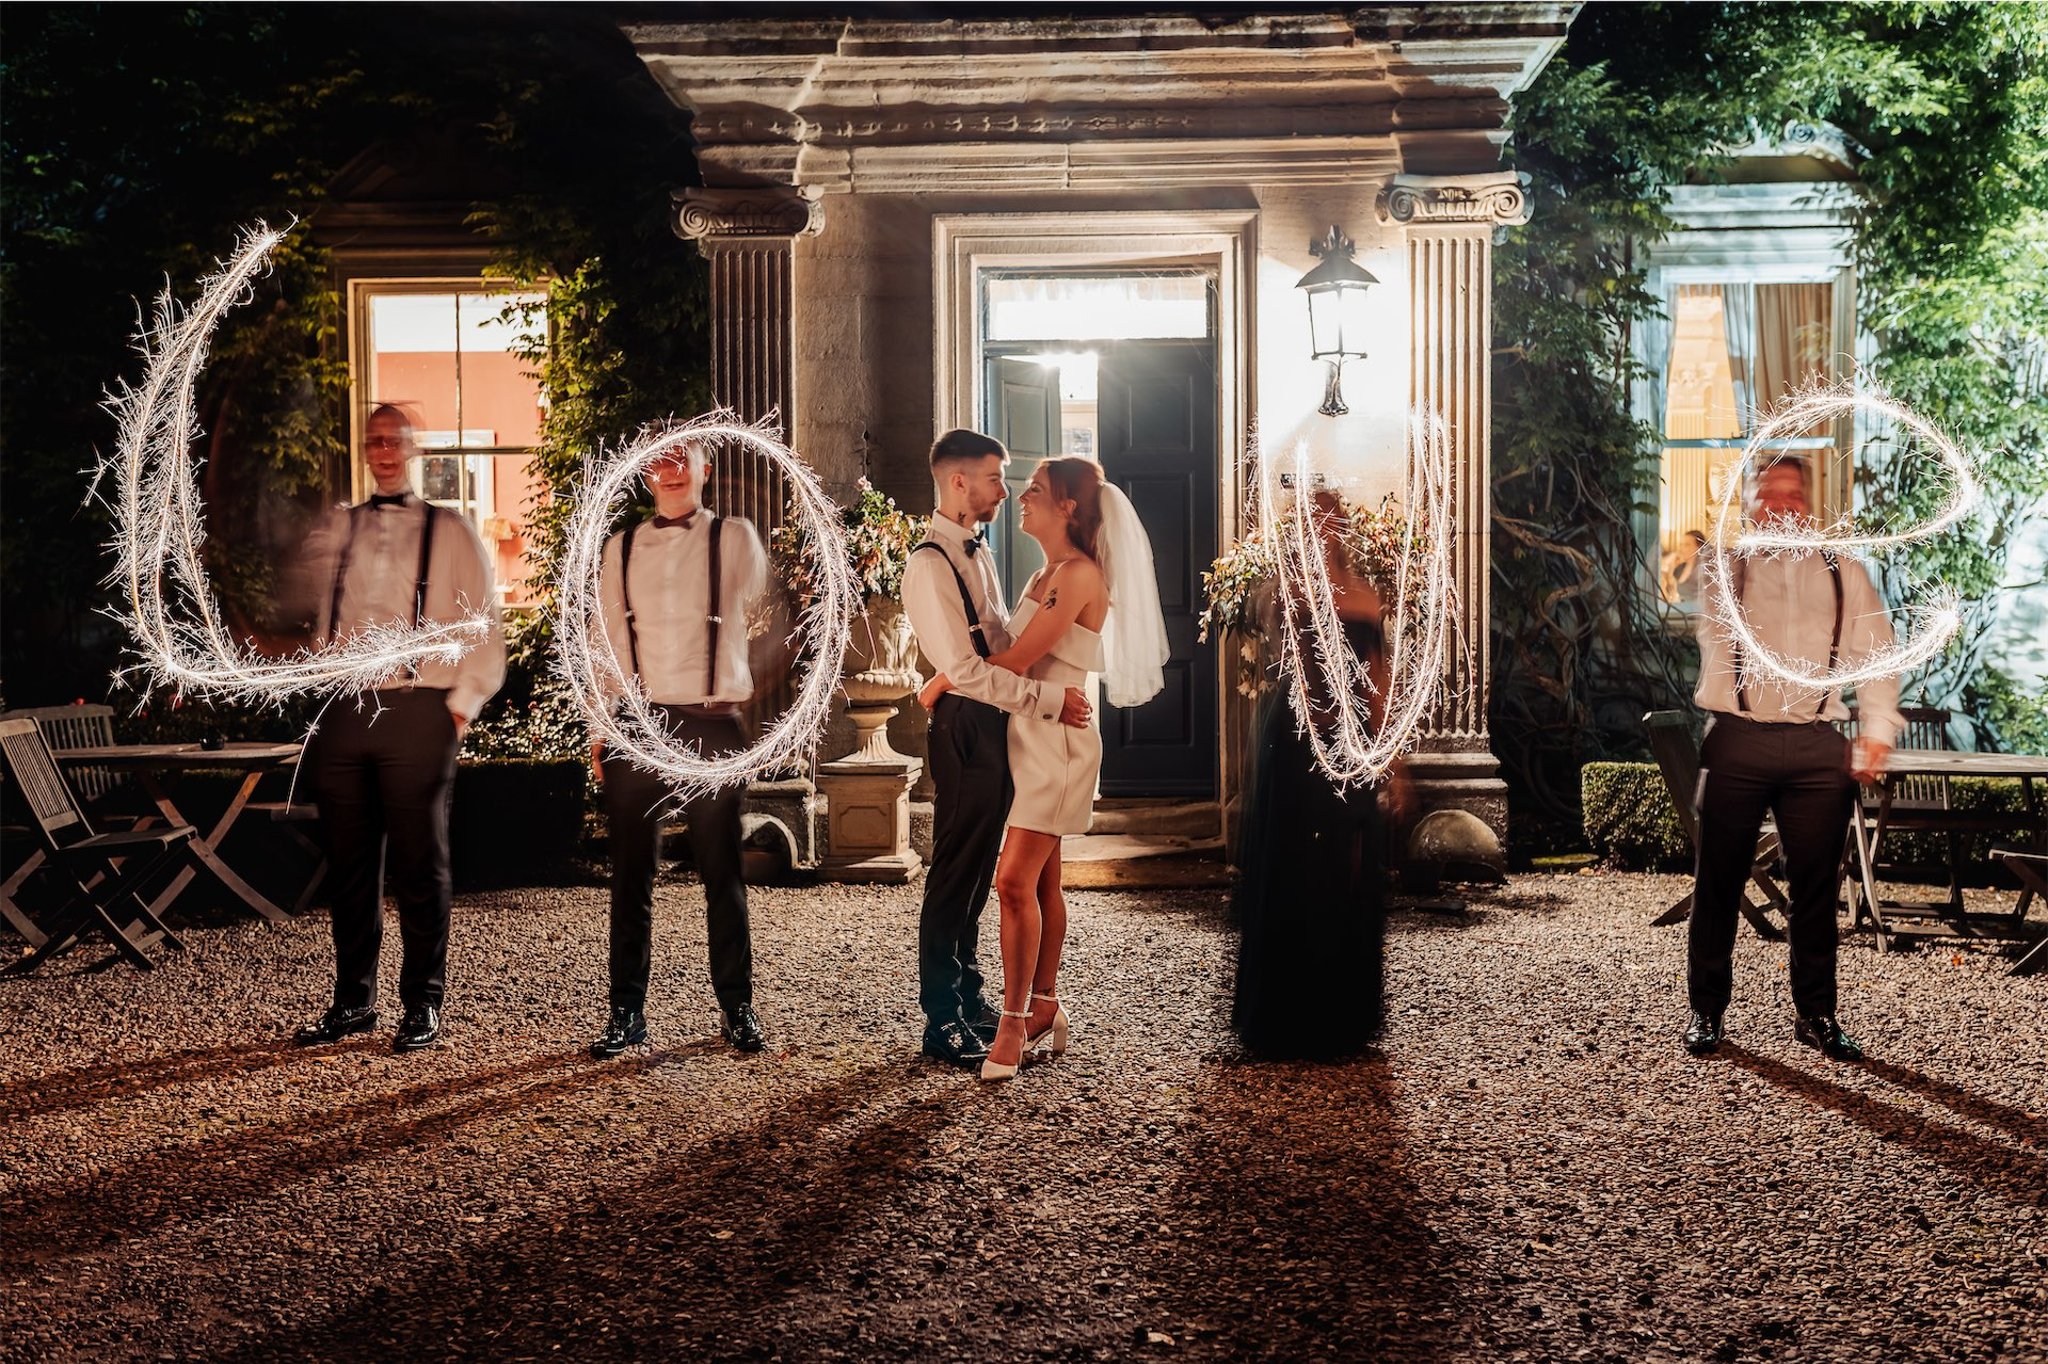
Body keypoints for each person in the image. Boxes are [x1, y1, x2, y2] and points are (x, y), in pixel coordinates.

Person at [920, 455, 1168, 1081]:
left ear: (1068, 507)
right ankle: (1045, 1004)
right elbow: (1003, 649)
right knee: (1041, 884)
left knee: (1011, 883)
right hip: (1026, 736)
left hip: (1057, 744)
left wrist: (942, 681)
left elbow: (1020, 659)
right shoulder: (1043, 573)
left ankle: (1011, 1023)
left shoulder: (1079, 574)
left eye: (1035, 490)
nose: (1020, 498)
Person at [294, 403, 506, 1053]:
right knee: (349, 866)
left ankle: (423, 1002)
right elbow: (319, 613)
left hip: (419, 707)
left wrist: (459, 708)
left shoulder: (452, 530)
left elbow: (486, 620)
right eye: (375, 440)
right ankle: (353, 1000)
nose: (384, 450)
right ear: (366, 450)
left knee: (420, 864)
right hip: (346, 707)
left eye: (395, 440)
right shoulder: (340, 528)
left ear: (413, 449)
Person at [1685, 456, 1900, 1062]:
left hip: (1814, 743)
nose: (1782, 506)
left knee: (1816, 888)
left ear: (1809, 504)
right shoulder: (1722, 567)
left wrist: (1877, 728)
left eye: (1793, 495)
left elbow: (1876, 652)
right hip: (1739, 737)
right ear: (1750, 504)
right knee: (1718, 882)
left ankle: (1817, 1014)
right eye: (1768, 495)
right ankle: (1707, 1010)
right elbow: (1708, 617)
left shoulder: (1843, 571)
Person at [900, 430, 1094, 1070]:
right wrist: (1047, 700)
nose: (1004, 492)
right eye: (994, 479)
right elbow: (968, 669)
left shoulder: (976, 551)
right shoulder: (930, 564)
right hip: (966, 726)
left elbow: (999, 642)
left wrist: (945, 681)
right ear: (959, 482)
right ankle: (942, 1018)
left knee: (983, 866)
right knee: (955, 871)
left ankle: (971, 995)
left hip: (993, 721)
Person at [587, 440, 771, 1059]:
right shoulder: (620, 548)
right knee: (631, 874)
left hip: (712, 723)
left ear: (703, 469)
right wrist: (601, 728)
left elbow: (766, 608)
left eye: (681, 459)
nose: (669, 471)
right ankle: (625, 1011)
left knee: (721, 871)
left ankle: (737, 1007)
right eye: (658, 461)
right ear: (645, 474)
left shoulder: (736, 538)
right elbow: (606, 642)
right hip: (638, 726)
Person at [1231, 488, 1411, 1060]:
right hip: (1296, 740)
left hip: (1350, 739)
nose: (1322, 529)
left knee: (1346, 861)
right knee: (1294, 861)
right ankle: (1284, 1013)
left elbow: (1379, 677)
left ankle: (1340, 1014)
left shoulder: (1364, 595)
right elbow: (1279, 649)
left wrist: (1393, 759)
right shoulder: (1288, 590)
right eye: (1312, 520)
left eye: (1329, 520)